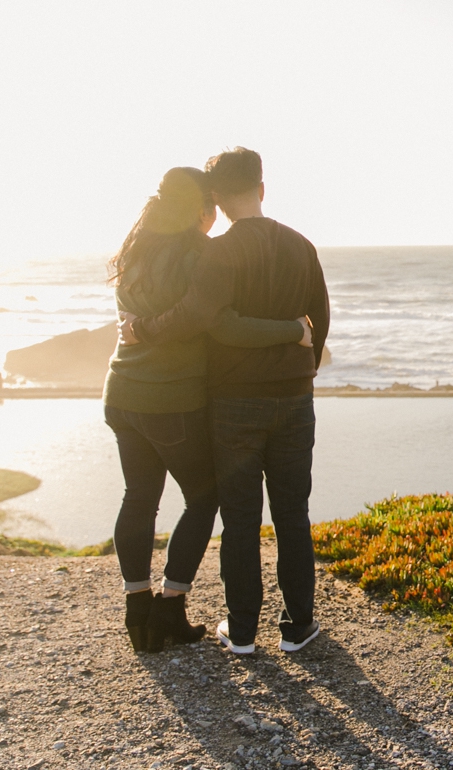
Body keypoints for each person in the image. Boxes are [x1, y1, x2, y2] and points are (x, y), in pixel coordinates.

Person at [121, 147, 329, 656]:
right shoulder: (302, 245)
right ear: (261, 188)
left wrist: (142, 331)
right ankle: (298, 627)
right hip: (295, 402)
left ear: (215, 197)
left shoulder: (217, 252)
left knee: (240, 520)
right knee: (293, 515)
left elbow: (206, 319)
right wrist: (302, 364)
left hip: (233, 405)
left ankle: (242, 634)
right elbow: (318, 320)